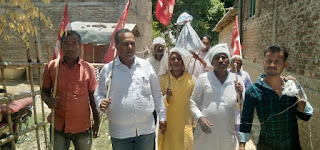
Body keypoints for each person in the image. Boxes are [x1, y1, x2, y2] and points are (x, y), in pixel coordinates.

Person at [94, 29, 167, 150]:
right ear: (116, 46)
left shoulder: (146, 66)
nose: (130, 47)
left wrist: (162, 116)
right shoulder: (108, 70)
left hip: (146, 130)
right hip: (120, 133)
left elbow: (157, 94)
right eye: (125, 44)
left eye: (132, 43)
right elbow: (99, 93)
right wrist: (100, 102)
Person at [238, 45, 313, 150]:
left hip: (292, 145)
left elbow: (305, 115)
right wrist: (242, 145)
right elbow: (246, 120)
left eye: (277, 61)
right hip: (266, 145)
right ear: (263, 62)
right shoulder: (253, 90)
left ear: (284, 65)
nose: (272, 64)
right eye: (268, 60)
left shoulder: (291, 87)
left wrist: (296, 87)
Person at [41, 30, 99, 150]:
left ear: (79, 46)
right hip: (58, 125)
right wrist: (47, 100)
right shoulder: (51, 67)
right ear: (61, 46)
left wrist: (97, 121)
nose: (70, 47)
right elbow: (44, 91)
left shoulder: (88, 69)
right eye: (66, 44)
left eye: (74, 44)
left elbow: (93, 97)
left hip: (82, 126)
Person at [190, 43, 244, 150]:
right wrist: (200, 118)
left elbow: (240, 106)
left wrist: (240, 94)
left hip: (227, 133)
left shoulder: (237, 79)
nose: (220, 60)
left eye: (223, 57)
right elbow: (193, 102)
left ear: (228, 61)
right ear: (212, 62)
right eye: (217, 58)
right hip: (205, 134)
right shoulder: (203, 78)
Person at [158, 47, 194, 150]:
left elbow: (195, 102)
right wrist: (166, 97)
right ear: (168, 62)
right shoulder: (164, 79)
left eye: (179, 58)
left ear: (183, 61)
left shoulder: (191, 79)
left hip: (185, 124)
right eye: (172, 59)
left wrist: (195, 123)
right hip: (168, 124)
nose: (176, 61)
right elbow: (157, 101)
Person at [229, 55, 252, 137]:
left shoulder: (245, 75)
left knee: (238, 127)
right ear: (231, 63)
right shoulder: (226, 74)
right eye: (234, 62)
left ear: (241, 65)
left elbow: (249, 89)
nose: (236, 65)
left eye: (239, 63)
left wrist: (242, 93)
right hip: (229, 106)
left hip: (240, 105)